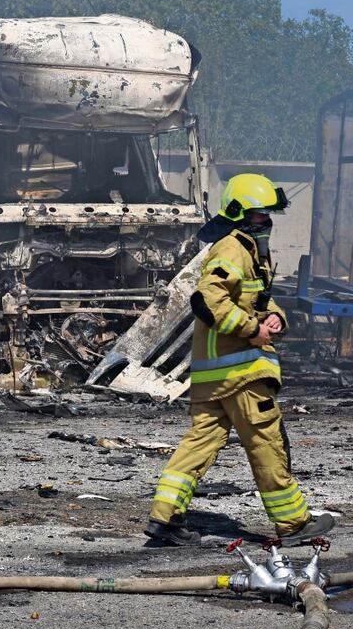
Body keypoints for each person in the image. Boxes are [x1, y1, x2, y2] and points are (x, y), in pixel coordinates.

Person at [144, 173, 336, 546]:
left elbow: (256, 298)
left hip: (214, 378)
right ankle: (294, 523)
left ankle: (164, 520)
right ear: (241, 214)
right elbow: (207, 300)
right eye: (261, 216)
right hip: (242, 373)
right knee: (267, 442)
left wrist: (276, 315)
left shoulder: (247, 250)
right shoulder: (233, 247)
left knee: (198, 445)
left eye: (269, 215)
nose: (268, 222)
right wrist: (252, 330)